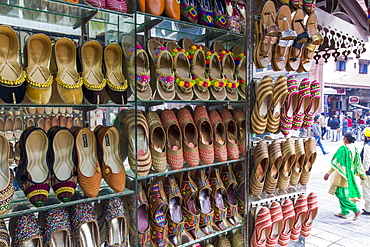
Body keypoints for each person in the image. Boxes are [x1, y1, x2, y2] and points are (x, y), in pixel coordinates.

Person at [324, 132, 366, 220]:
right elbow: (358, 163)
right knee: (343, 192)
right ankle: (344, 212)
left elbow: (337, 163)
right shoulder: (354, 148)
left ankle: (355, 209)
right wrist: (361, 173)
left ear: (345, 138)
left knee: (340, 194)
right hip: (349, 175)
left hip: (340, 175)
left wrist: (328, 173)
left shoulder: (343, 149)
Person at [361, 127, 370, 215]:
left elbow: (366, 161)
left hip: (368, 173)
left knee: (367, 190)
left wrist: (363, 171)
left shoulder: (368, 146)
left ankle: (368, 208)